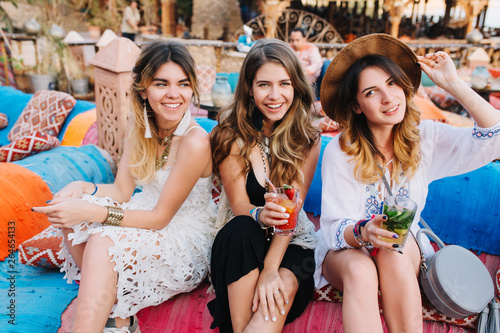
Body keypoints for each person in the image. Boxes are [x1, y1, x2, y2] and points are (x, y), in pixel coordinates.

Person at [314, 33, 500, 332]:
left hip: (399, 252)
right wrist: (364, 231)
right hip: (347, 251)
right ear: (358, 105)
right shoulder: (342, 150)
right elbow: (335, 227)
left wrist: (453, 84)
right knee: (361, 269)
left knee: (394, 249)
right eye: (372, 92)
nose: (389, 98)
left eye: (392, 83)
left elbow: (495, 139)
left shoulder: (425, 138)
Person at [32, 41, 216, 332]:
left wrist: (95, 214)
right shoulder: (140, 126)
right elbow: (121, 192)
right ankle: (118, 318)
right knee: (71, 216)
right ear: (143, 90)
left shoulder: (195, 142)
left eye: (183, 84)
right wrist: (80, 188)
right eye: (161, 83)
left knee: (102, 239)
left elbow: (160, 218)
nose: (173, 94)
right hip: (145, 212)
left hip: (185, 234)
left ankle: (102, 321)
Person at [208, 38, 321, 333]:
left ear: (296, 86)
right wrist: (260, 215)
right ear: (248, 88)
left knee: (277, 289)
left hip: (291, 243)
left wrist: (271, 270)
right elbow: (240, 205)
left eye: (284, 83)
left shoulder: (307, 137)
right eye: (264, 85)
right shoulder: (229, 135)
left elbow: (291, 215)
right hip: (243, 243)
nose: (275, 95)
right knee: (242, 227)